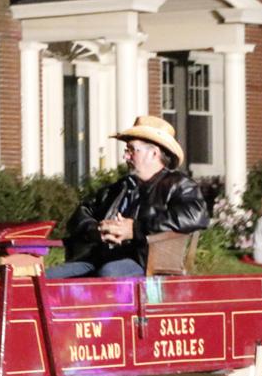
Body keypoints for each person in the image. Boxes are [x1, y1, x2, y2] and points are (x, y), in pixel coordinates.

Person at [48, 115, 209, 278]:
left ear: (153, 153)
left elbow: (195, 215)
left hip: (146, 264)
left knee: (108, 274)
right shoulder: (120, 187)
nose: (125, 156)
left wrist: (135, 229)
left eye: (131, 150)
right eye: (126, 151)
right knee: (47, 278)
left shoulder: (179, 185)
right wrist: (97, 230)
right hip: (101, 258)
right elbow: (81, 213)